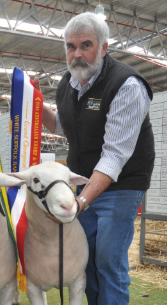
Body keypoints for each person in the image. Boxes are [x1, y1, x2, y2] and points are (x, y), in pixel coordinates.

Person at [36, 12, 155, 305]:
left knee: (107, 261)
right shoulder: (68, 84)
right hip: (85, 185)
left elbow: (114, 156)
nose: (77, 54)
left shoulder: (127, 85)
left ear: (103, 48)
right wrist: (34, 103)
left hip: (121, 185)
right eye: (70, 46)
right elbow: (66, 127)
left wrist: (81, 201)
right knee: (85, 261)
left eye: (86, 45)